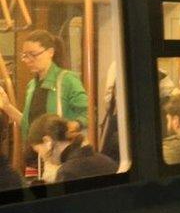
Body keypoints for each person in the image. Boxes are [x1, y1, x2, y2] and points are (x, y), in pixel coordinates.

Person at [0, 30, 89, 172]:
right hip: (37, 157)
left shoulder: (67, 80)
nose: (27, 60)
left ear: (50, 52)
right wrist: (7, 106)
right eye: (24, 55)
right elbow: (28, 126)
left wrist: (72, 125)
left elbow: (88, 113)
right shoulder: (32, 85)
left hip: (61, 157)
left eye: (33, 55)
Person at [27, 114, 117, 183]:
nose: (41, 156)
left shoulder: (68, 173)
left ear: (47, 141)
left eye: (38, 150)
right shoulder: (106, 160)